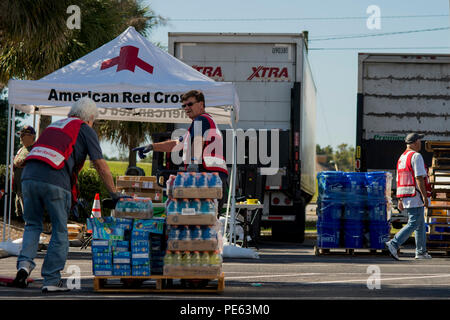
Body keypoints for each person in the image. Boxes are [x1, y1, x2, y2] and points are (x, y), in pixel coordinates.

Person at [12, 97, 122, 292]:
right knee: (60, 230)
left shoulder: (54, 126)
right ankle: (52, 280)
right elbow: (100, 164)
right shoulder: (85, 129)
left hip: (28, 177)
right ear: (89, 118)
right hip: (55, 179)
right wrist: (114, 194)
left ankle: (24, 266)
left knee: (33, 224)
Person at [134, 90, 229, 216]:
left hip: (208, 178)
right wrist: (152, 146)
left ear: (201, 104)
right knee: (205, 225)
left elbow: (198, 140)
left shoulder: (201, 120)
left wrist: (193, 165)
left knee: (199, 223)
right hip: (213, 178)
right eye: (184, 106)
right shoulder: (201, 124)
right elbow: (176, 144)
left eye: (190, 104)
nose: (186, 108)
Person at [386, 133, 432, 260]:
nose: (421, 143)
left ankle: (421, 252)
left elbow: (399, 179)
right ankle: (394, 244)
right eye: (420, 141)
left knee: (420, 223)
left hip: (407, 194)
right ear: (415, 142)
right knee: (414, 222)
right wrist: (424, 196)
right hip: (415, 195)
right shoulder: (416, 156)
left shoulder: (402, 157)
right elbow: (419, 178)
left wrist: (400, 198)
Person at [12, 125, 36, 219]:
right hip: (19, 188)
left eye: (23, 135)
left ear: (31, 136)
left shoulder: (35, 149)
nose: (20, 137)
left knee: (29, 216)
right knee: (21, 214)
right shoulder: (21, 149)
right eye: (20, 135)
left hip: (28, 189)